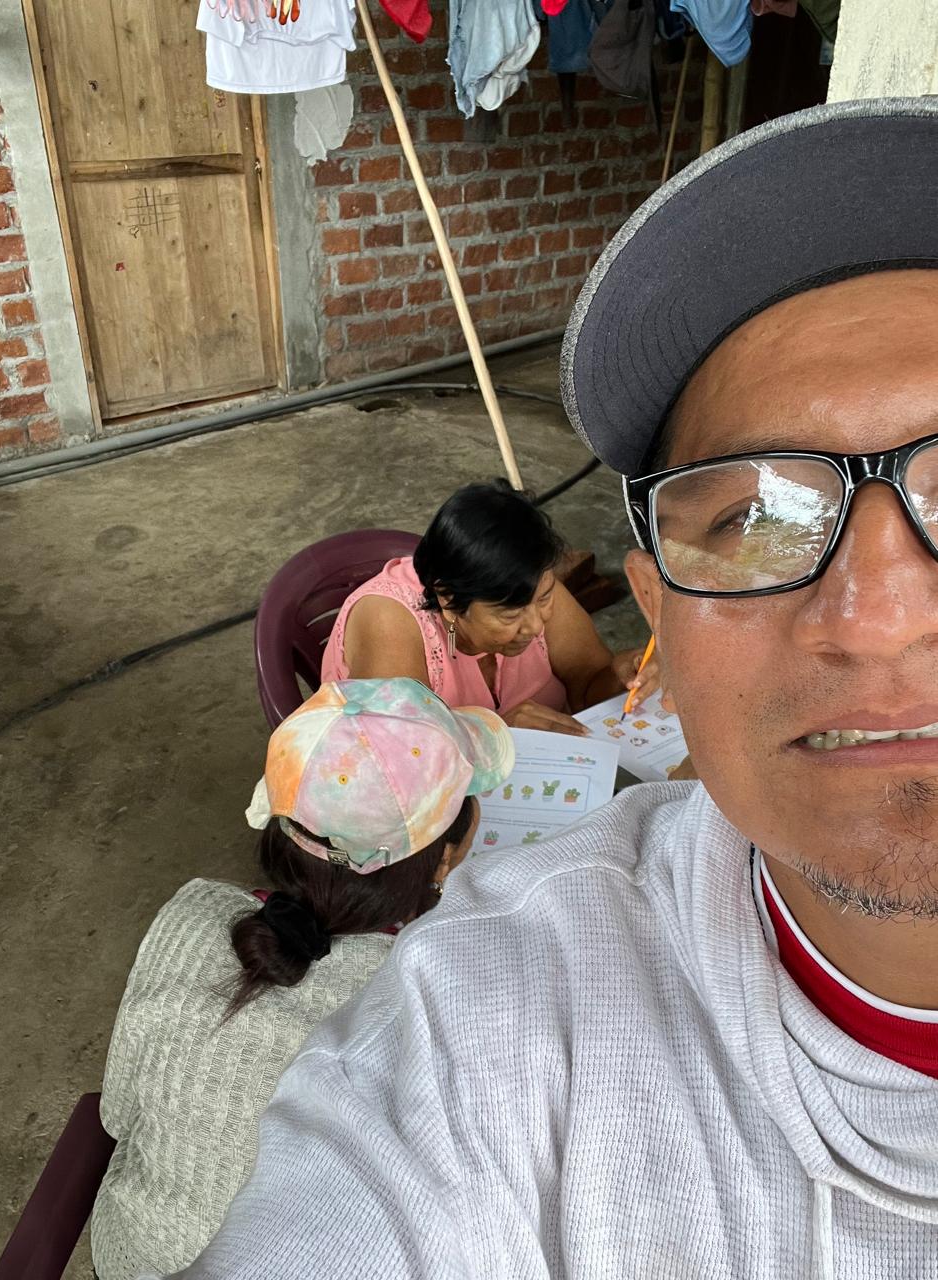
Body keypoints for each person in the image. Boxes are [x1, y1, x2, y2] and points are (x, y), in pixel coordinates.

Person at [165, 99, 938, 1279]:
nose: (878, 616)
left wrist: (581, 693)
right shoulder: (491, 1007)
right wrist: (502, 726)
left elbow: (587, 677)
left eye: (547, 600)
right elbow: (407, 764)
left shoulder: (534, 605)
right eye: (755, 520)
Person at [91, 678, 512, 1280]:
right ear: (445, 858)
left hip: (136, 1258)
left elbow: (118, 1116)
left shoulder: (188, 918)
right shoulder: (442, 995)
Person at [320, 479, 660, 736]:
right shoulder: (389, 621)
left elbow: (588, 688)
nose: (535, 626)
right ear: (448, 600)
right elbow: (399, 759)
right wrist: (493, 737)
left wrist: (622, 676)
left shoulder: (530, 586)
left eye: (543, 599)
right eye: (510, 614)